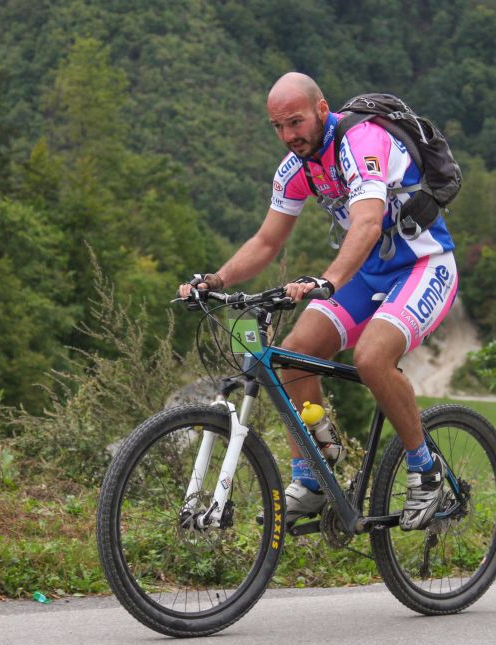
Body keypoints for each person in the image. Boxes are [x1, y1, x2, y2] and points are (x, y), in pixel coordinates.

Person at [179, 72, 458, 531]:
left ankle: (425, 469)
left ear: (322, 110)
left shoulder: (361, 141)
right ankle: (313, 477)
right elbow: (267, 240)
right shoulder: (297, 168)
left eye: (296, 122)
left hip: (423, 266)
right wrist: (216, 279)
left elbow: (367, 224)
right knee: (295, 356)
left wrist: (326, 280)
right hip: (369, 272)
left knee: (371, 358)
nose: (289, 136)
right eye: (278, 127)